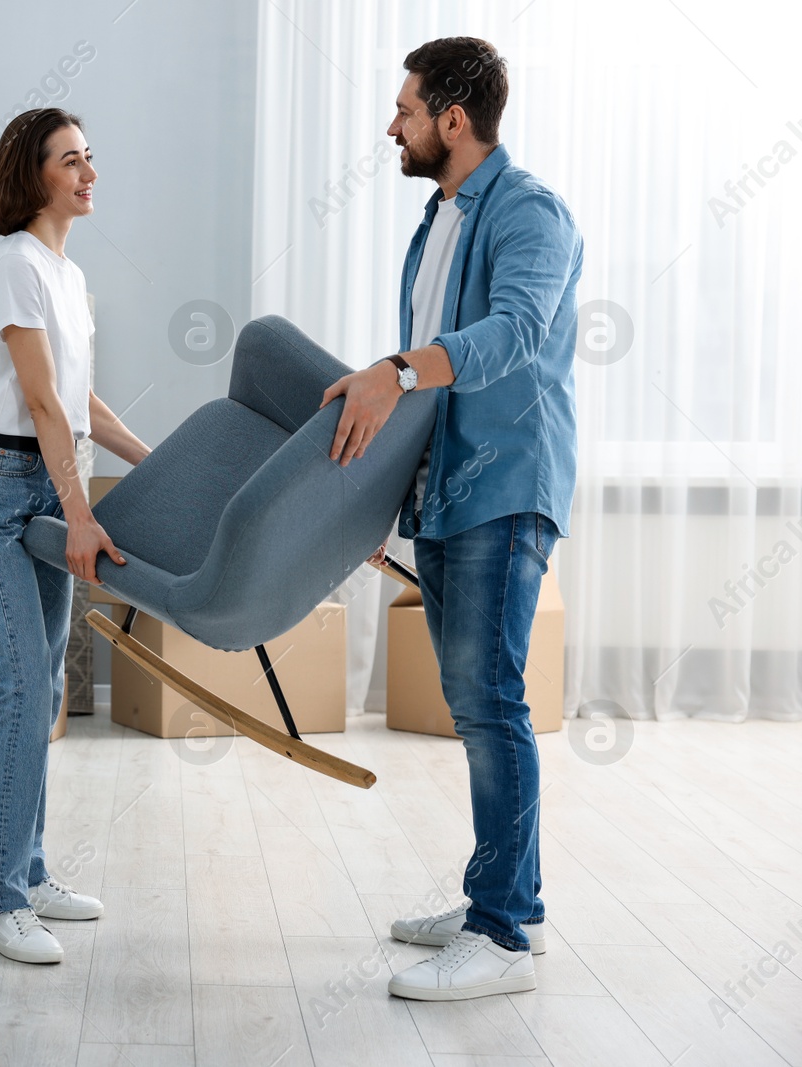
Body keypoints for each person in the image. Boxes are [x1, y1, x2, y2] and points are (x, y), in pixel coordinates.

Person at [320, 37, 583, 1000]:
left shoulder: (530, 213)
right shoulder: (437, 220)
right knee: (474, 704)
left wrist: (393, 370)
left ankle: (504, 936)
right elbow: (426, 368)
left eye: (406, 108)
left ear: (454, 119)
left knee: (490, 702)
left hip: (506, 486)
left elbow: (512, 335)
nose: (393, 124)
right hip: (444, 490)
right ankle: (500, 902)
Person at [0, 107, 151, 965]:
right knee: (23, 692)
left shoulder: (68, 277)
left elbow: (80, 404)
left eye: (90, 157)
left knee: (46, 694)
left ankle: (26, 872)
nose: (89, 172)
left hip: (42, 483)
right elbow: (38, 406)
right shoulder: (14, 269)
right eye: (72, 161)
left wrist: (158, 464)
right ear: (35, 177)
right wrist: (80, 511)